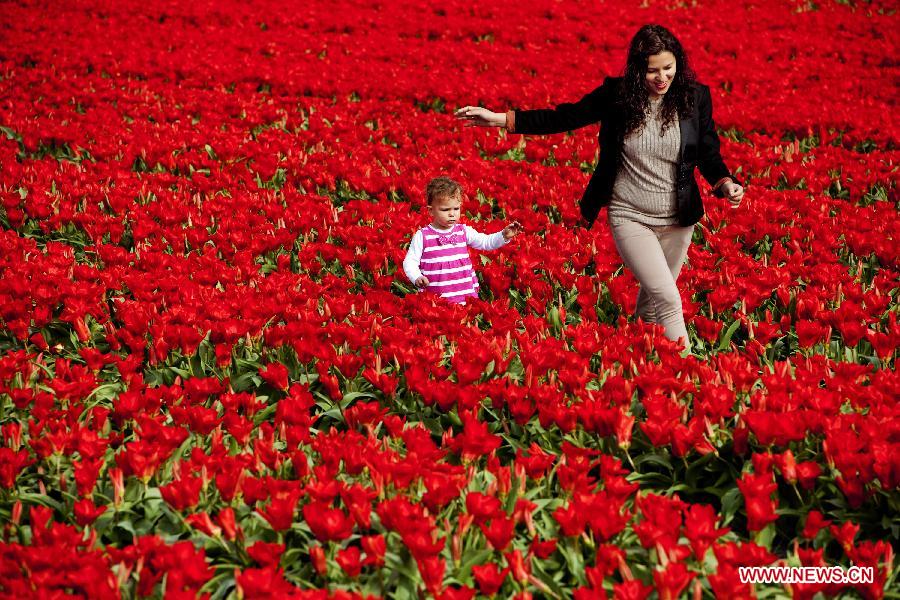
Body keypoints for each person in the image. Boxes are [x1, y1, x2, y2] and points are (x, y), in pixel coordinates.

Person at [454, 24, 744, 354]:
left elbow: (707, 151)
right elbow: (565, 117)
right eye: (652, 71)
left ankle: (642, 367)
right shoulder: (617, 96)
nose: (662, 78)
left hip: (679, 219)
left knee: (652, 306)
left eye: (668, 68)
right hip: (631, 215)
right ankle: (690, 376)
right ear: (638, 69)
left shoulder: (695, 97)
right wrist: (501, 119)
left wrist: (726, 183)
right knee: (668, 299)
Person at [403, 176, 522, 304]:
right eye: (445, 209)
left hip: (464, 295)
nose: (452, 213)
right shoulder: (423, 236)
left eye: (456, 208)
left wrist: (503, 235)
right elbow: (409, 262)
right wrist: (416, 277)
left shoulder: (463, 231)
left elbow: (485, 242)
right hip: (435, 299)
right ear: (431, 211)